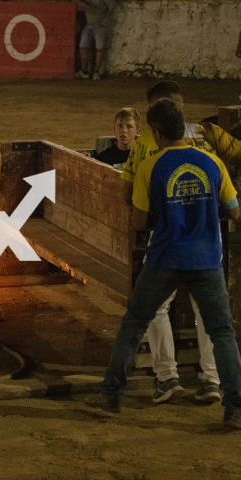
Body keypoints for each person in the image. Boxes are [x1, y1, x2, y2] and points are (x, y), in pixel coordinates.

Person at [85, 98, 241, 430]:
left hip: (165, 258)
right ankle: (235, 409)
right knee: (222, 333)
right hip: (207, 260)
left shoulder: (149, 167)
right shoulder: (212, 162)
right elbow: (234, 210)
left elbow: (140, 220)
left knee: (134, 323)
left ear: (155, 133)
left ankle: (111, 396)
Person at [121, 81, 223, 405]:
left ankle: (168, 377)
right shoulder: (205, 140)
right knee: (205, 309)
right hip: (206, 236)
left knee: (155, 307)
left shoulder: (144, 147)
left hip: (167, 237)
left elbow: (128, 198)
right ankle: (211, 379)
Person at [72, 0, 117, 81]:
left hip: (99, 25)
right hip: (89, 24)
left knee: (99, 48)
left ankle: (94, 72)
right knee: (83, 47)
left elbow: (89, 7)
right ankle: (87, 71)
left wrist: (107, 18)